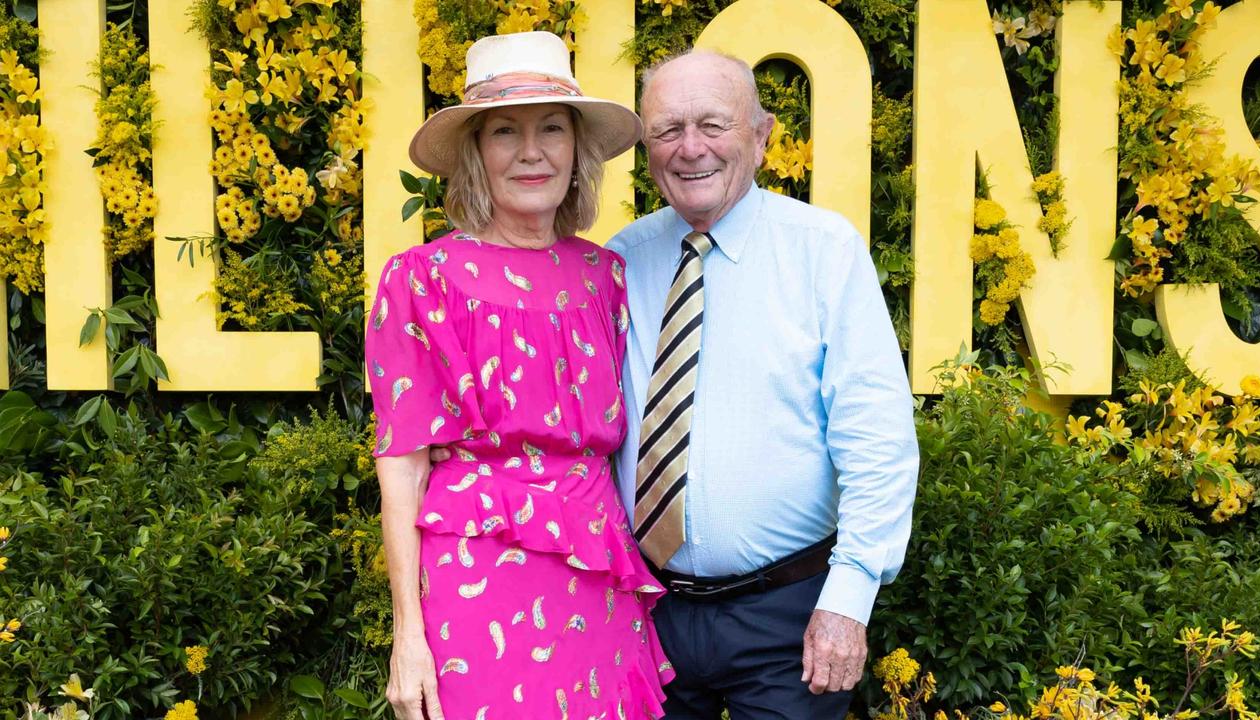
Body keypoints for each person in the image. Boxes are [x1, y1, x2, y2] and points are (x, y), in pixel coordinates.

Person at [366, 31, 673, 720]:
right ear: (476, 152)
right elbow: (403, 467)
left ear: (576, 149)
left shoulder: (605, 277)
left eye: (551, 129)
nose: (531, 152)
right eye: (506, 130)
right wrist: (407, 636)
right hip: (477, 580)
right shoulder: (422, 280)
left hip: (598, 571)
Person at [607, 49, 919, 719]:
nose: (690, 149)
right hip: (647, 612)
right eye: (667, 129)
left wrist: (849, 597)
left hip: (787, 618)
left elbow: (877, 440)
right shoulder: (622, 259)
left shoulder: (823, 251)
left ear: (762, 135)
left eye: (713, 124)